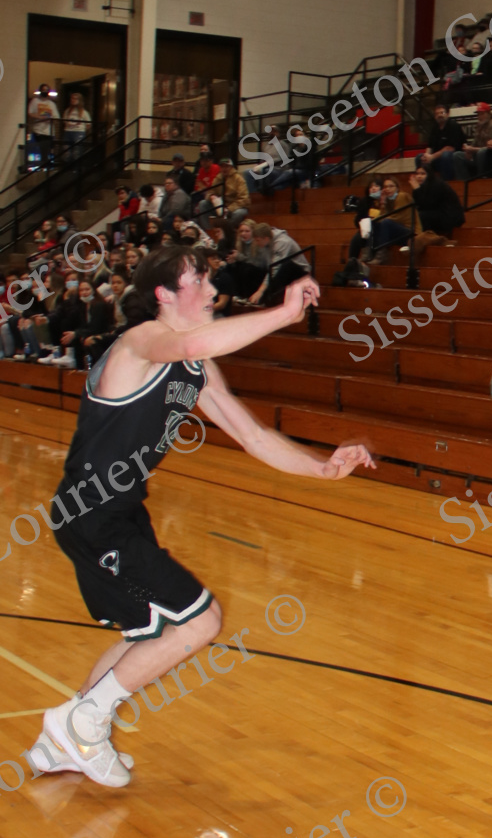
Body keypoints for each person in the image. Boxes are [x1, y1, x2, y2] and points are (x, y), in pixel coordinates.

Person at [25, 249, 374, 788]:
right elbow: (189, 341)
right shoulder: (141, 341)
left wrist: (322, 469)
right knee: (200, 620)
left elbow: (252, 435)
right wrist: (283, 314)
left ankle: (63, 741)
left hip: (118, 512)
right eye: (199, 277)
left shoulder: (197, 368)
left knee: (151, 629)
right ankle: (83, 723)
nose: (212, 286)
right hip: (91, 512)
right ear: (165, 294)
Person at [409, 162, 464, 247]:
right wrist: (417, 190)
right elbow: (419, 205)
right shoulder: (422, 186)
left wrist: (417, 190)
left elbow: (427, 205)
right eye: (417, 173)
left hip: (449, 216)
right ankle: (419, 241)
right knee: (417, 215)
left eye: (423, 173)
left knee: (422, 216)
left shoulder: (437, 184)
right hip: (437, 213)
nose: (419, 176)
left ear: (429, 174)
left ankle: (426, 241)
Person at [61, 91, 92, 158]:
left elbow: (88, 124)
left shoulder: (84, 112)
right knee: (66, 152)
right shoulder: (67, 111)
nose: (73, 100)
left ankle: (76, 167)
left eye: (75, 99)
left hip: (78, 132)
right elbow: (64, 121)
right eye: (72, 98)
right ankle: (67, 166)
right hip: (68, 131)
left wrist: (82, 130)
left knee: (77, 152)